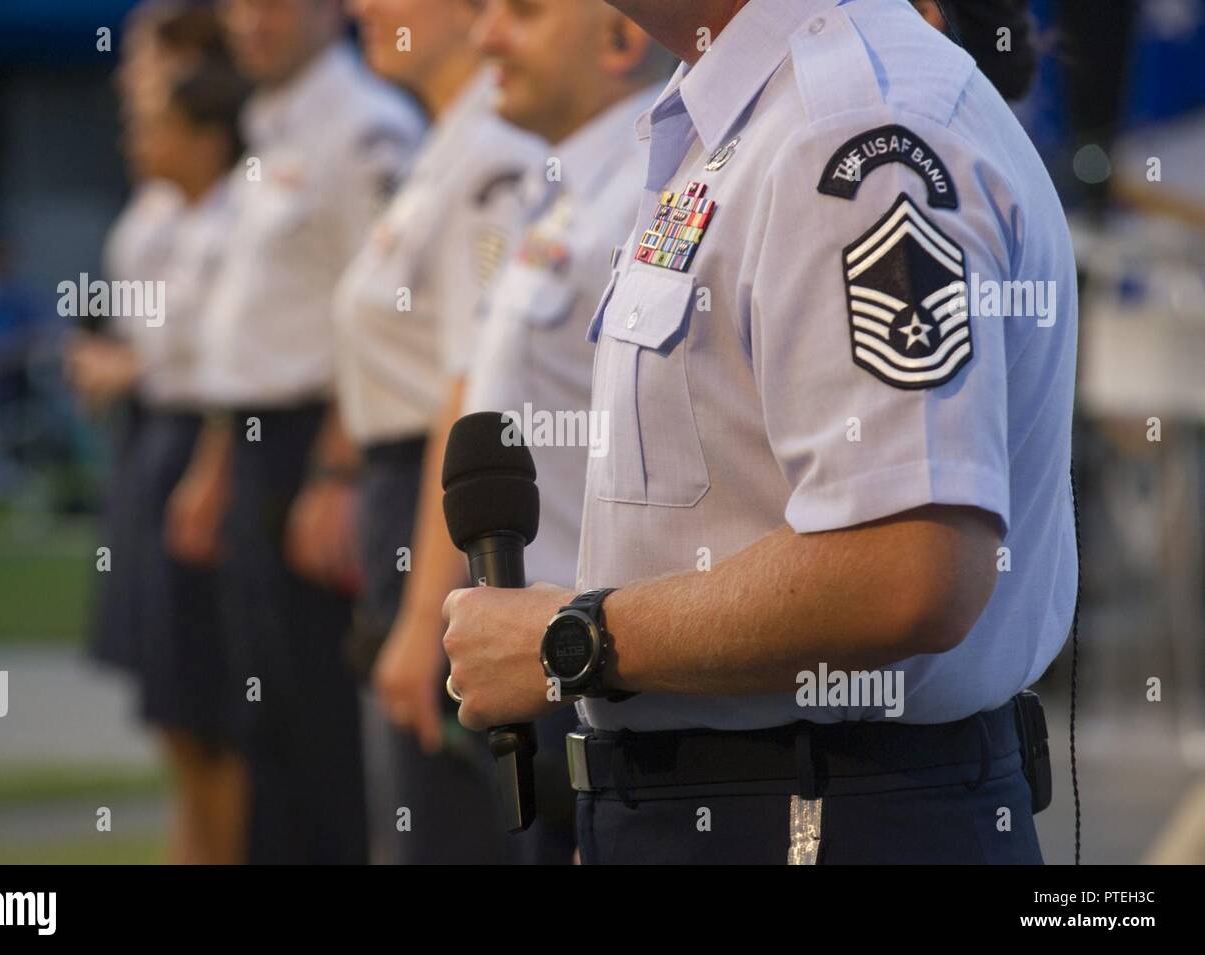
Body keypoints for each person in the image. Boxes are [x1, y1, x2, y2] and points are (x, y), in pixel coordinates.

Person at [440, 0, 1078, 864]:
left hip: (825, 813)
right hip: (740, 804)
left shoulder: (851, 122)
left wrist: (576, 639)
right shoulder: (751, 109)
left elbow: (906, 568)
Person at [373, 0, 673, 865]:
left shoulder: (650, 196)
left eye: (525, 12)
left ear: (620, 37)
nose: (485, 35)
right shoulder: (573, 187)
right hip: (532, 647)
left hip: (595, 655)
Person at [166, 0, 422, 864]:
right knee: (263, 720)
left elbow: (382, 313)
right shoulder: (267, 121)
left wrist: (338, 471)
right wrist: (214, 460)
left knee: (320, 731)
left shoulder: (366, 125)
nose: (250, 21)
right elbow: (252, 317)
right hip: (250, 438)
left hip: (317, 440)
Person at [334, 0, 544, 864]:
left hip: (441, 506)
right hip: (404, 495)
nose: (361, 8)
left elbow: (471, 386)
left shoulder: (490, 152)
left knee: (442, 830)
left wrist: (427, 615)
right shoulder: (448, 146)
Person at [74, 61, 253, 864]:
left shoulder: (231, 220)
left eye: (157, 126)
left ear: (207, 138)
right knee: (170, 703)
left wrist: (127, 368)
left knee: (207, 704)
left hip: (198, 436)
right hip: (154, 436)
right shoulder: (169, 216)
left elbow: (214, 355)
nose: (134, 139)